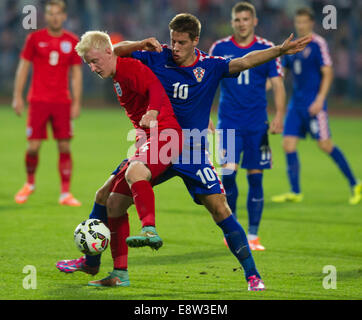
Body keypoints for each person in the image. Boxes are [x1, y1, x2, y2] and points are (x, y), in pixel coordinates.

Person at [58, 13, 310, 291]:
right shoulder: (157, 56)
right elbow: (112, 52)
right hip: (158, 143)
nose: (174, 47)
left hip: (191, 150)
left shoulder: (210, 66)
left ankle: (253, 275)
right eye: (172, 41)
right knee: (110, 198)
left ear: (195, 41)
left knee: (219, 208)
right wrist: (141, 43)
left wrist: (279, 50)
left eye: (180, 43)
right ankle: (107, 268)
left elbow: (246, 61)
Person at [56, 30, 183, 285]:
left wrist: (153, 113)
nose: (92, 68)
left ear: (108, 52)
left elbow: (155, 90)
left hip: (166, 135)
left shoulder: (127, 69)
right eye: (88, 64)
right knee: (107, 198)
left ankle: (149, 229)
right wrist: (140, 130)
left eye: (95, 61)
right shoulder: (117, 76)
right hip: (149, 138)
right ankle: (114, 272)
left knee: (134, 172)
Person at [209, 2, 286, 251]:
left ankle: (253, 236)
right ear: (232, 22)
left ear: (254, 21)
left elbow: (277, 84)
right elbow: (208, 81)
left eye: (245, 19)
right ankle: (233, 228)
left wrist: (279, 115)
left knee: (256, 178)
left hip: (257, 125)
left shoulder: (267, 48)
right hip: (228, 123)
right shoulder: (220, 47)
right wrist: (203, 114)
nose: (242, 23)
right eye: (237, 19)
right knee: (228, 174)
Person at [271, 7, 361, 205]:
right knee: (288, 144)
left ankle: (355, 183)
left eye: (304, 22)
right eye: (298, 22)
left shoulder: (318, 44)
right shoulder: (293, 46)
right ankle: (295, 191)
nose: (300, 25)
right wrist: (267, 83)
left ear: (311, 23)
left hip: (313, 103)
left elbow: (327, 72)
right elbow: (281, 71)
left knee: (325, 145)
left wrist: (320, 99)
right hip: (296, 104)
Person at [13, 0, 83, 206]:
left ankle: (65, 193)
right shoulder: (34, 38)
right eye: (50, 13)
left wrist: (77, 101)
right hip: (38, 101)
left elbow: (76, 74)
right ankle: (29, 184)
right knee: (33, 147)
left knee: (64, 146)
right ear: (45, 16)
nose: (54, 17)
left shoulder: (72, 41)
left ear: (64, 16)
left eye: (58, 13)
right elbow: (23, 67)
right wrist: (17, 95)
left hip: (62, 102)